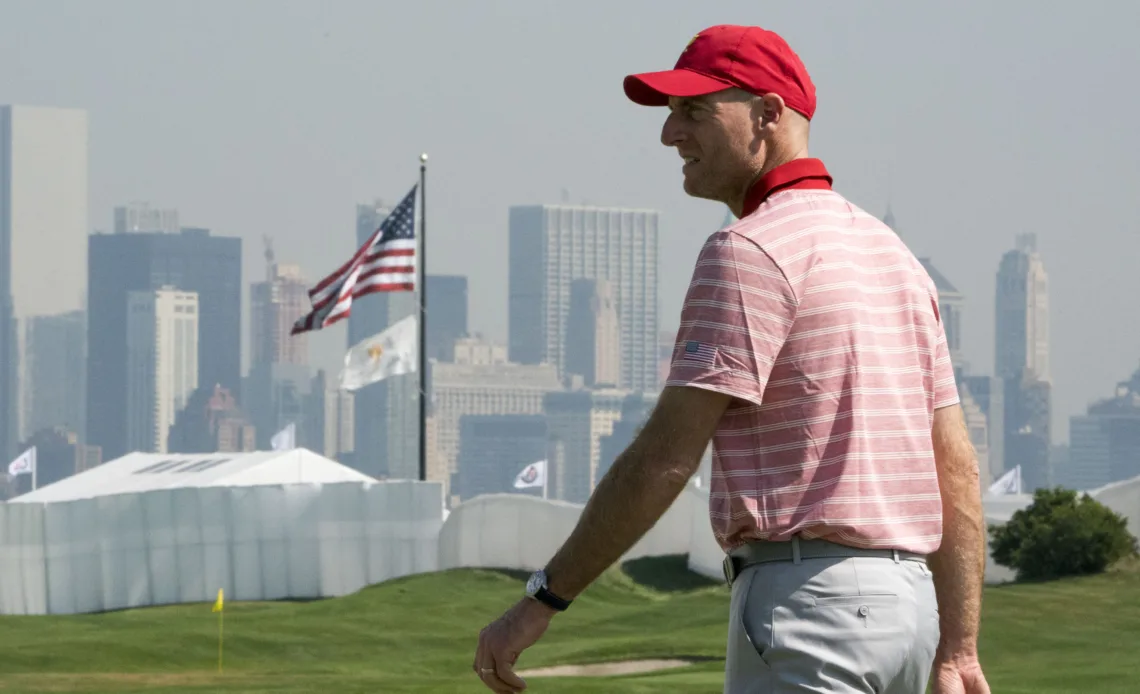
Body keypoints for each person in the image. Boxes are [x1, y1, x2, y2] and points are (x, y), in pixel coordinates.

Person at [473, 23, 990, 694]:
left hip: (809, 608)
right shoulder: (895, 257)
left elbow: (663, 459)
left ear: (768, 114)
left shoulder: (746, 251)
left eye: (694, 111)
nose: (670, 135)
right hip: (910, 610)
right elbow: (955, 467)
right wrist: (959, 646)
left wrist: (541, 599)